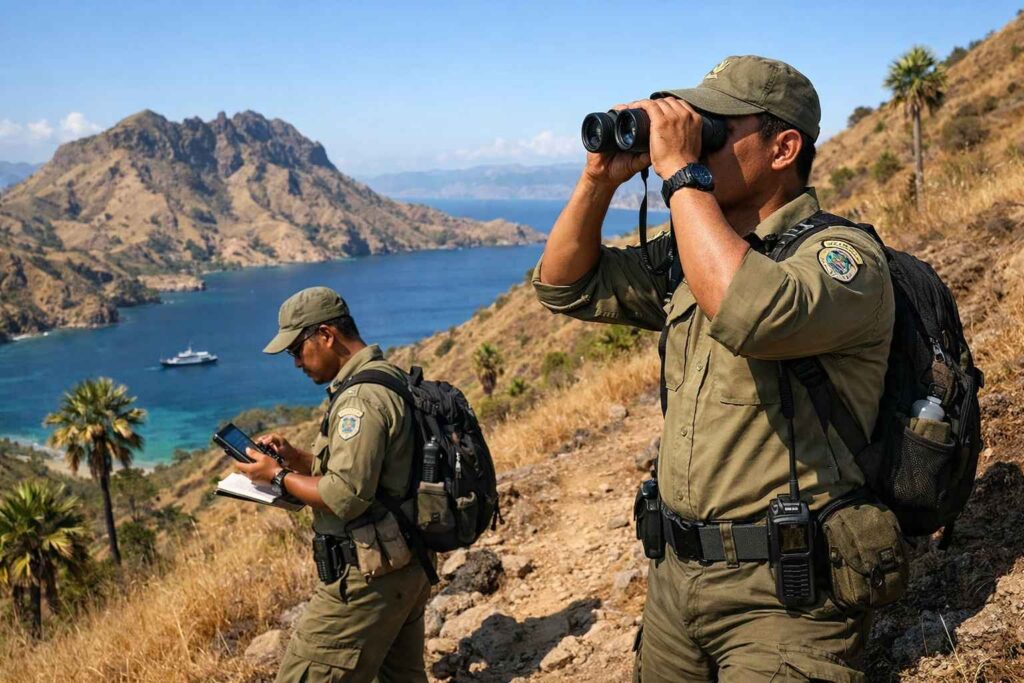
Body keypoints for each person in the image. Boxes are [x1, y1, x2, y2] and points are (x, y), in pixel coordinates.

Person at [532, 56, 896, 680]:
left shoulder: (842, 259)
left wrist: (680, 172)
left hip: (785, 596)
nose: (693, 137)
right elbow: (565, 284)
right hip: (676, 582)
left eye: (715, 128)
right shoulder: (692, 254)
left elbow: (748, 311)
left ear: (784, 148)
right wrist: (598, 181)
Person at [234, 286, 431, 683]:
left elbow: (345, 496)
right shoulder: (388, 377)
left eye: (296, 350)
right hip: (407, 562)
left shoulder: (360, 399)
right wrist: (295, 459)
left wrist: (275, 476)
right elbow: (373, 475)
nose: (295, 363)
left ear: (326, 335)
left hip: (368, 576)